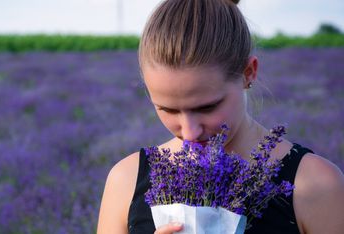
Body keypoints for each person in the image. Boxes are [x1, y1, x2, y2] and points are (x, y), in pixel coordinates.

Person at [97, 0, 344, 233]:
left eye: (206, 107)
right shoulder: (126, 181)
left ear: (248, 73)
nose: (190, 132)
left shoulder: (317, 185)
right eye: (168, 110)